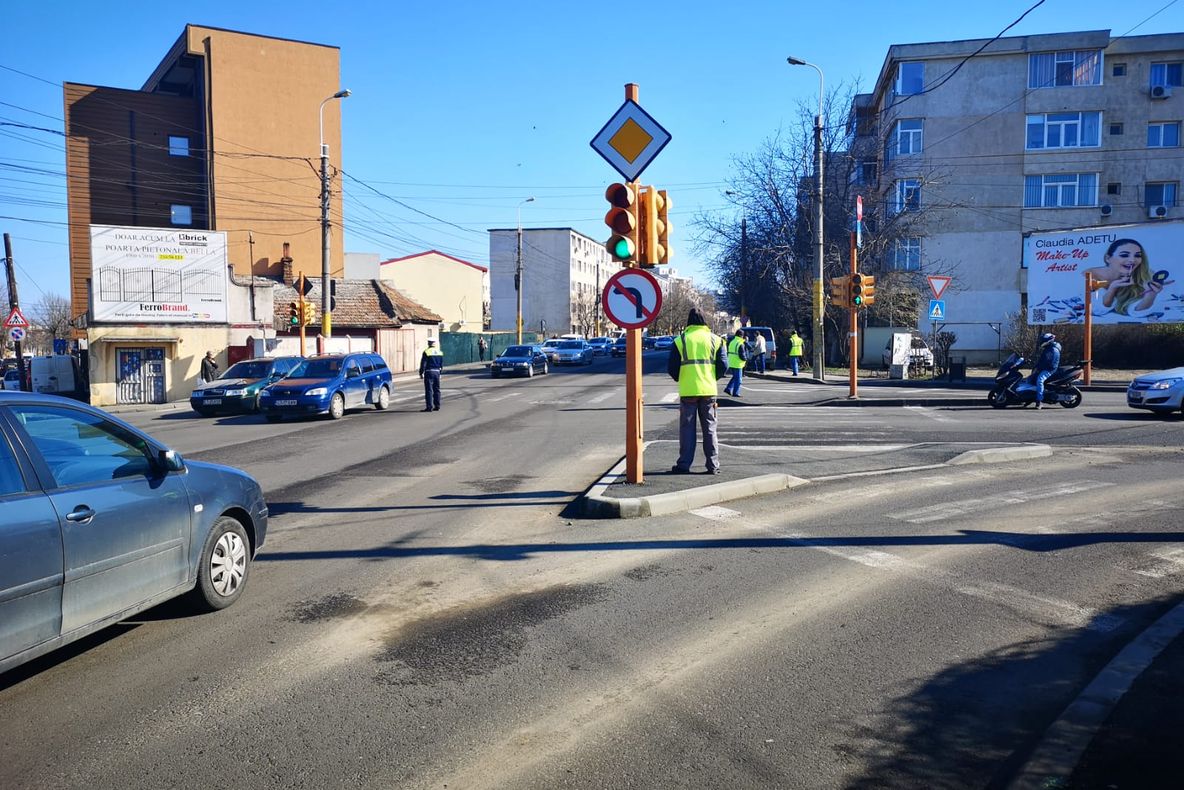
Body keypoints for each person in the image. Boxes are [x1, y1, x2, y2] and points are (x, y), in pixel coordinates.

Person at [668, 308, 728, 475]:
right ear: (704, 321)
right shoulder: (716, 340)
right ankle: (713, 465)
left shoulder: (681, 340)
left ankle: (684, 465)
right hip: (709, 390)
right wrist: (711, 377)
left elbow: (672, 367)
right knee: (710, 427)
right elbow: (724, 365)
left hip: (688, 390)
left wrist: (682, 378)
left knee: (687, 429)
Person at [1083, 238, 1174, 316]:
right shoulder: (1089, 275)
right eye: (1124, 255)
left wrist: (1150, 295)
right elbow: (1096, 311)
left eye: (1137, 256)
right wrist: (1112, 288)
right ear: (1108, 258)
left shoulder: (1146, 276)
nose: (1132, 260)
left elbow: (1136, 312)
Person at [1032, 332, 1061, 410]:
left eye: (1043, 340)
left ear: (1048, 341)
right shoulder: (1049, 348)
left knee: (1040, 380)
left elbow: (1048, 363)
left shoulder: (1053, 350)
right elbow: (1043, 360)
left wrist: (1039, 368)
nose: (1041, 342)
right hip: (1046, 368)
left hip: (1049, 369)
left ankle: (1039, 401)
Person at [419, 338, 444, 412]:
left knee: (429, 390)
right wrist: (440, 373)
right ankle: (437, 405)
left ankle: (429, 407)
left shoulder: (426, 352)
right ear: (434, 343)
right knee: (437, 389)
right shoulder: (440, 352)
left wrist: (421, 372)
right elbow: (441, 364)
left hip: (429, 372)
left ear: (428, 343)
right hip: (437, 372)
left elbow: (423, 363)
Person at [723, 328, 747, 397]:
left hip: (731, 362)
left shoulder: (732, 341)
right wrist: (745, 359)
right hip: (738, 363)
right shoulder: (740, 343)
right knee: (738, 379)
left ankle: (728, 388)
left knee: (735, 377)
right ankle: (735, 392)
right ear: (741, 335)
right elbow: (742, 355)